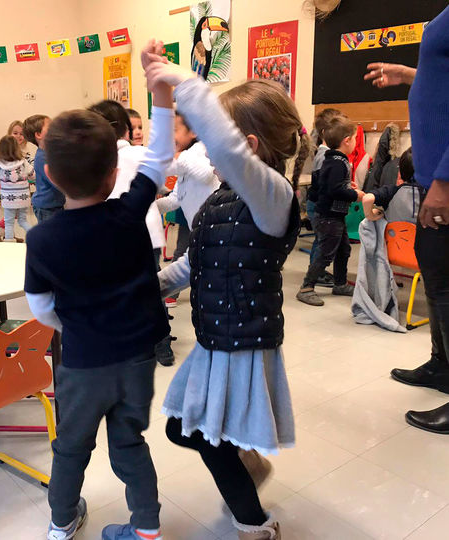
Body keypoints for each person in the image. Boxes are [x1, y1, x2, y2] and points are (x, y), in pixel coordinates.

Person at [144, 52, 310, 539]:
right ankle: (249, 468)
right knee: (183, 427)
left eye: (213, 135)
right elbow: (195, 263)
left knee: (199, 435)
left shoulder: (274, 194)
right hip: (217, 336)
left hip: (244, 341)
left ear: (248, 144)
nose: (202, 145)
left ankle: (256, 526)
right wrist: (149, 286)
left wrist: (185, 85)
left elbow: (230, 154)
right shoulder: (221, 198)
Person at [25, 40, 174, 540]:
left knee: (71, 447)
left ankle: (61, 521)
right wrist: (161, 94)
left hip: (84, 362)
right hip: (138, 358)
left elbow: (40, 306)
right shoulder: (131, 213)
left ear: (48, 176)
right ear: (115, 173)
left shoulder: (42, 238)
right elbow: (158, 157)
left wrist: (74, 325)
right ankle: (147, 527)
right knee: (130, 443)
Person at [365, 6, 449, 433]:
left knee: (447, 285)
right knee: (436, 279)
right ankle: (441, 366)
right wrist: (411, 75)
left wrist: (446, 181)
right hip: (436, 178)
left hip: (445, 183)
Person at [90, 99, 175, 366]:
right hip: (145, 235)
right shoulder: (140, 154)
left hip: (111, 236)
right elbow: (169, 170)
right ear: (125, 130)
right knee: (150, 289)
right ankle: (162, 345)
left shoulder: (96, 158)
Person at [297, 115, 365, 307]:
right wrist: (354, 194)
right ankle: (306, 287)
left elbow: (329, 184)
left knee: (343, 249)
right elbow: (333, 190)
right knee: (326, 253)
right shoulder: (337, 162)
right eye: (354, 139)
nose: (354, 143)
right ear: (347, 141)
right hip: (328, 216)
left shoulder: (335, 159)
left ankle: (340, 283)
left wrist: (346, 186)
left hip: (335, 215)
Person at [157, 112, 220, 307]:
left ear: (193, 131)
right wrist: (148, 208)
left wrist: (174, 160)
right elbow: (176, 198)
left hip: (217, 238)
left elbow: (204, 173)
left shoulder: (200, 152)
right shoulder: (187, 162)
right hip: (201, 237)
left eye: (175, 130)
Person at [307, 107, 341, 287]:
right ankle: (316, 272)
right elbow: (324, 185)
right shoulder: (325, 155)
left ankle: (316, 269)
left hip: (317, 204)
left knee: (320, 239)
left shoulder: (327, 154)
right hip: (318, 205)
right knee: (322, 240)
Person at [0, 120, 37, 242]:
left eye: (21, 134)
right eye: (15, 133)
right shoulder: (23, 160)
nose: (19, 136)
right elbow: (32, 174)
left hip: (8, 196)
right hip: (24, 196)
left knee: (9, 220)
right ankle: (36, 237)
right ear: (10, 133)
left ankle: (6, 239)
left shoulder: (0, 162)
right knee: (21, 220)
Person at [362, 147, 423, 223]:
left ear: (400, 171)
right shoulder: (429, 193)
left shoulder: (391, 191)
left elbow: (367, 199)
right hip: (423, 234)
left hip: (394, 234)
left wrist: (370, 216)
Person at [24, 114, 65, 223]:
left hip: (54, 204)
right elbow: (56, 182)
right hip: (46, 208)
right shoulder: (42, 158)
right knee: (52, 237)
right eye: (51, 126)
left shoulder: (50, 153)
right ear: (38, 134)